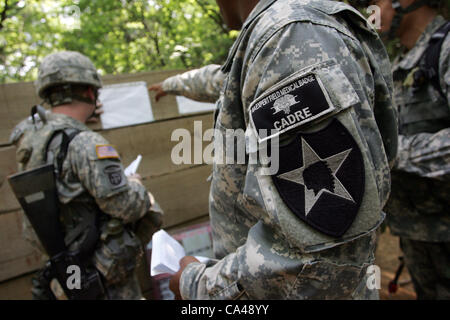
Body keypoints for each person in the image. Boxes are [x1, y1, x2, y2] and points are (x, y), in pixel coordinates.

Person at [150, 0, 398, 299]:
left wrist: (197, 285)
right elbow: (222, 80)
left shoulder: (289, 35)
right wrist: (172, 84)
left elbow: (315, 263)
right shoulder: (278, 35)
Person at [9, 51, 163, 300]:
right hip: (100, 277)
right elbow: (127, 207)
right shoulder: (86, 143)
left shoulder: (30, 137)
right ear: (91, 92)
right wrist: (135, 184)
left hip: (65, 274)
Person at [350, 0, 450, 299]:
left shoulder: (445, 48)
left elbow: (391, 149)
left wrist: (389, 152)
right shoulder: (400, 64)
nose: (366, 14)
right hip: (419, 233)